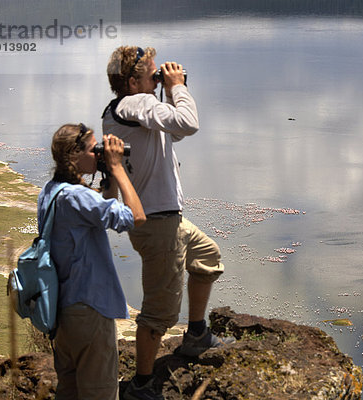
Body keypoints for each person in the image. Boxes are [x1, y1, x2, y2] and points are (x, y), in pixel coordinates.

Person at [103, 46, 233, 400]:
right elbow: (188, 124)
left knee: (207, 257)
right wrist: (177, 87)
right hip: (159, 224)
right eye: (153, 75)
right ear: (132, 81)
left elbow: (172, 132)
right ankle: (142, 385)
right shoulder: (135, 105)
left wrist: (164, 90)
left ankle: (196, 335)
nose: (159, 77)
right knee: (159, 312)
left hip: (165, 221)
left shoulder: (130, 108)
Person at [40, 123, 146, 399]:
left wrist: (107, 177)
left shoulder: (52, 192)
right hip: (90, 310)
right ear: (74, 157)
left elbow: (96, 218)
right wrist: (119, 169)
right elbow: (135, 217)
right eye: (93, 150)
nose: (99, 154)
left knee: (70, 391)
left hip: (63, 314)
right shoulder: (77, 196)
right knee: (100, 392)